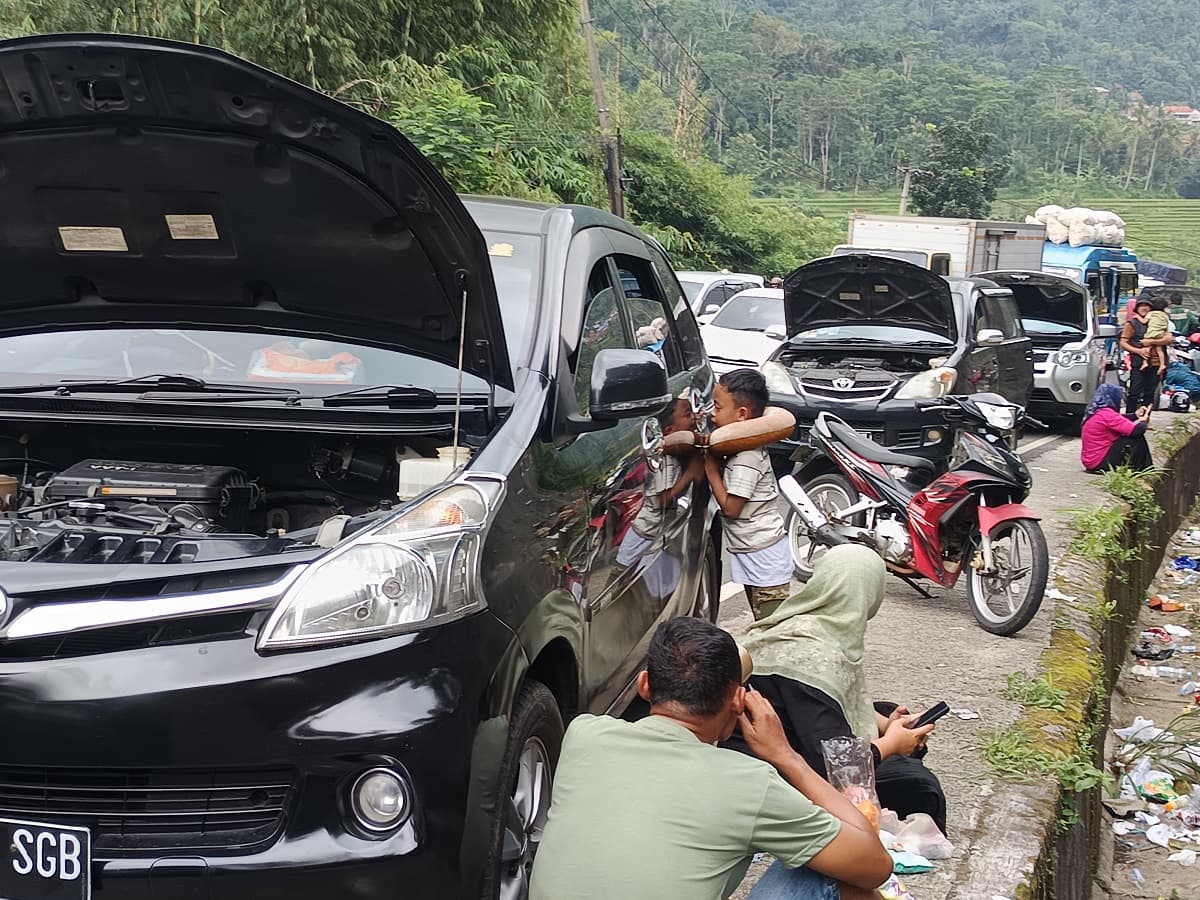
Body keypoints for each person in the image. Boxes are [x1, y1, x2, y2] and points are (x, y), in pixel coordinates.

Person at [529, 618, 894, 900]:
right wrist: (787, 756)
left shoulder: (584, 736)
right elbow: (874, 864)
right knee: (836, 872)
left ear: (644, 686)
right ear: (738, 701)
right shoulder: (749, 782)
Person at [726, 545, 947, 835]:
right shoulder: (817, 654)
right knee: (920, 788)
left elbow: (819, 702)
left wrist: (885, 724)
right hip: (770, 775)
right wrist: (892, 745)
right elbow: (834, 764)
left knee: (883, 711)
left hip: (755, 744)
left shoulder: (792, 623)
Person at [705, 369, 793, 620]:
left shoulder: (747, 457)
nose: (712, 413)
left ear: (742, 414)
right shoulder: (741, 450)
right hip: (754, 550)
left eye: (718, 407)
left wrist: (711, 471)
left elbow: (732, 509)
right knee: (762, 621)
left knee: (771, 627)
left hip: (763, 555)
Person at [1080, 383, 1153, 473]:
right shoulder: (1107, 414)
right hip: (1099, 462)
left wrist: (1135, 415)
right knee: (1136, 439)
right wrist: (1144, 420)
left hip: (1091, 461)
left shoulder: (1097, 412)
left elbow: (1119, 419)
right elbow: (1137, 430)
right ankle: (1145, 469)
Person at [1121, 298, 1174, 414]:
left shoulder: (1157, 319)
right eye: (1141, 306)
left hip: (1156, 363)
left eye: (1147, 305)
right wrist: (1138, 351)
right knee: (1134, 392)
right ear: (1137, 308)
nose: (1144, 308)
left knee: (1150, 394)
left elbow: (1169, 338)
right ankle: (1129, 418)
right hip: (1138, 362)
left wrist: (1151, 342)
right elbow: (1123, 343)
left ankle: (1145, 419)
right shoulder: (1132, 323)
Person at [1136, 297, 1171, 375]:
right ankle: (1162, 364)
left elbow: (1144, 321)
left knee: (1145, 346)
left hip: (1152, 333)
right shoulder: (1165, 315)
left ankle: (1145, 362)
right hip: (1160, 334)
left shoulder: (1151, 313)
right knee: (1159, 350)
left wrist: (1137, 316)